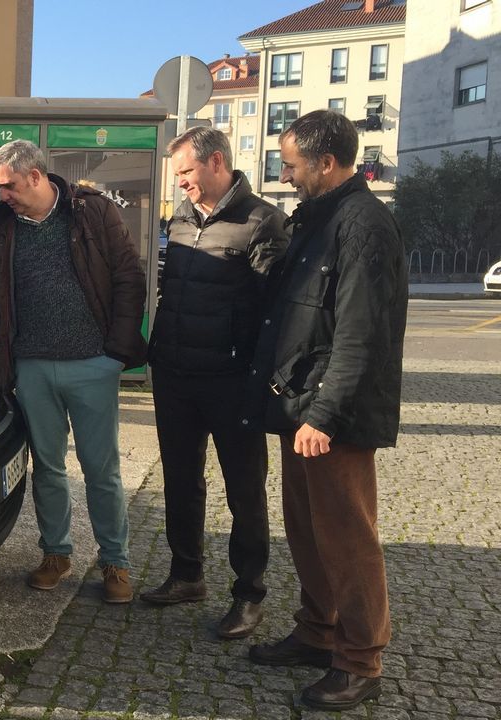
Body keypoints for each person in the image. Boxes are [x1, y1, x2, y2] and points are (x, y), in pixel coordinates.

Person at [246, 110, 407, 712]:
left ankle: (361, 661)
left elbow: (362, 335)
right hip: (299, 408)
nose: (284, 176)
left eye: (291, 165)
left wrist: (324, 416)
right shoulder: (319, 219)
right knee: (308, 530)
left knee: (347, 537)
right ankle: (319, 633)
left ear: (326, 163)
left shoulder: (363, 225)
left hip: (329, 418)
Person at [0, 140, 146, 602]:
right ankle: (55, 554)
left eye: (8, 186)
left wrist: (116, 354)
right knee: (47, 467)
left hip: (93, 365)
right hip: (32, 367)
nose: (1, 195)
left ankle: (115, 563)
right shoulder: (4, 227)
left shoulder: (93, 213)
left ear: (37, 176)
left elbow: (129, 277)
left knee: (101, 469)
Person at [140, 127, 288, 640]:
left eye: (185, 172)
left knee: (244, 490)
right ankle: (186, 576)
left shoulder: (263, 221)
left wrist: (260, 379)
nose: (179, 182)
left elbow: (277, 312)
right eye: (175, 173)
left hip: (232, 382)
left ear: (216, 163)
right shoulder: (181, 219)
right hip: (176, 375)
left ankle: (249, 596)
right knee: (181, 481)